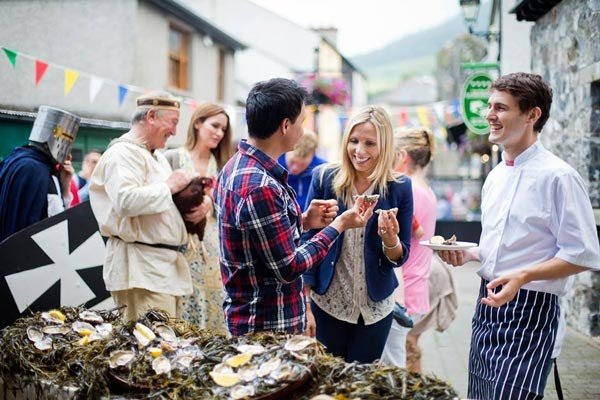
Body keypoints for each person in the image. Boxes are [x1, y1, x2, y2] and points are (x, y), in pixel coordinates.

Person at [438, 73, 600, 400]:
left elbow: (583, 253)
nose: (489, 115)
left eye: (501, 107)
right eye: (489, 106)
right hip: (486, 307)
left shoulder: (559, 177)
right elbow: (504, 247)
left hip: (532, 311)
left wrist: (523, 275)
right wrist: (471, 254)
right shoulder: (496, 176)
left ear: (532, 115)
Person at [214, 78, 376, 337]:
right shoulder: (260, 186)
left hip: (252, 318)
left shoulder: (236, 167)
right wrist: (339, 225)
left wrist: (303, 221)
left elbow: (259, 239)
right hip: (267, 327)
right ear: (285, 125)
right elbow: (289, 266)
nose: (303, 130)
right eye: (301, 122)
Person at [302, 105, 413, 363]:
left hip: (376, 310)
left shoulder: (400, 187)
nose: (359, 151)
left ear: (383, 146)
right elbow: (307, 242)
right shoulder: (324, 178)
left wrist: (390, 240)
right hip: (327, 303)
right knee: (327, 383)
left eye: (369, 143)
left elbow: (399, 257)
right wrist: (304, 305)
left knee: (361, 386)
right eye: (353, 141)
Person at [89, 91, 202, 321]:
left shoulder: (156, 157)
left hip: (159, 269)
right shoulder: (123, 153)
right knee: (148, 349)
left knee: (165, 347)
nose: (174, 131)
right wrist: (170, 185)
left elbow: (163, 206)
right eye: (173, 122)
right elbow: (125, 201)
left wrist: (200, 202)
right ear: (151, 116)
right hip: (140, 269)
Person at [164, 102, 233, 334]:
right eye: (214, 126)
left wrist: (210, 204)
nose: (219, 133)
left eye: (223, 129)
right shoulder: (172, 158)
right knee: (182, 307)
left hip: (214, 248)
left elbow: (232, 207)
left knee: (214, 307)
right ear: (197, 123)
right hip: (179, 244)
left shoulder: (224, 166)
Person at [381, 127, 438, 370]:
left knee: (394, 368)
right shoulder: (423, 188)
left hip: (403, 292)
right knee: (406, 357)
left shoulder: (409, 190)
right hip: (415, 288)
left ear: (402, 156)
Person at [0, 106, 80, 242]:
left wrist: (64, 184)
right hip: (27, 255)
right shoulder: (41, 171)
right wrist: (65, 190)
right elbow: (57, 225)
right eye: (65, 137)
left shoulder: (14, 160)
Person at [277, 130, 326, 211]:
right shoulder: (274, 164)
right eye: (292, 162)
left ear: (313, 155)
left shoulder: (322, 171)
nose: (295, 168)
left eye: (302, 164)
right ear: (286, 151)